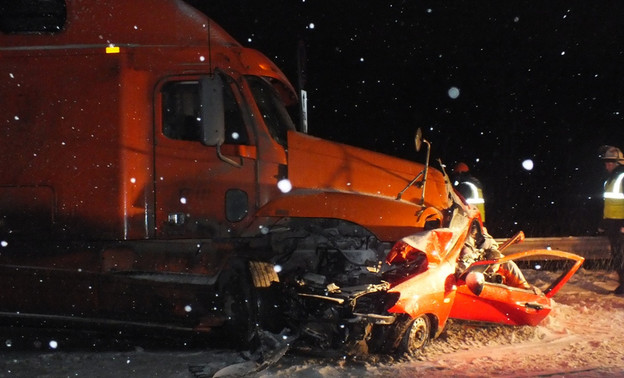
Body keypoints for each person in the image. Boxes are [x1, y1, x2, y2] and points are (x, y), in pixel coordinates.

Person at [458, 220, 531, 290]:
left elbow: (492, 246)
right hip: (466, 275)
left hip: (483, 274)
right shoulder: (459, 239)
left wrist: (493, 255)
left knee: (508, 264)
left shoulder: (485, 238)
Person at [599, 145, 624, 294]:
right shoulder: (610, 180)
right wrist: (603, 223)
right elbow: (608, 203)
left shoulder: (621, 177)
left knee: (621, 255)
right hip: (612, 223)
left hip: (620, 223)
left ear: (618, 163)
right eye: (606, 162)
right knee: (617, 255)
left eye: (610, 162)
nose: (607, 165)